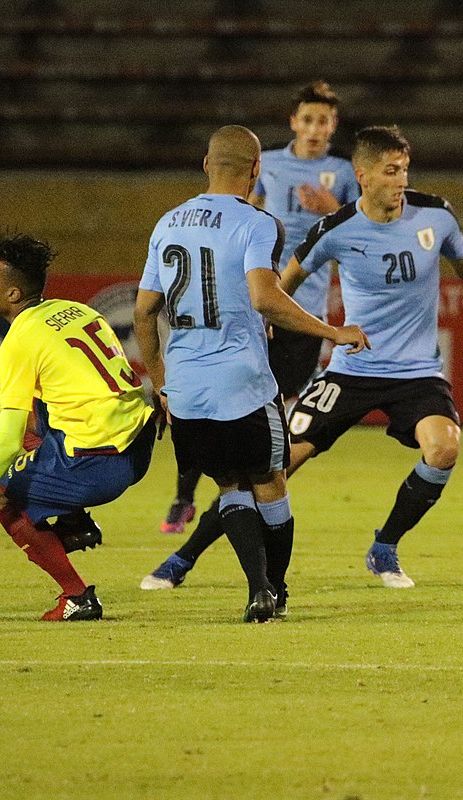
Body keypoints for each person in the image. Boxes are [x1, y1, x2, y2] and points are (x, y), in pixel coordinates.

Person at [146, 125, 463, 590]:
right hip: (350, 370)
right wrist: (270, 319)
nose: (401, 181)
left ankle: (385, 547)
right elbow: (284, 279)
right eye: (391, 171)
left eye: (404, 170)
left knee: (443, 448)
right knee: (273, 469)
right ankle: (184, 557)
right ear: (362, 175)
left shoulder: (434, 216)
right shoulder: (335, 230)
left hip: (417, 372)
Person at [133, 125, 368, 622]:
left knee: (229, 487)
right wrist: (332, 331)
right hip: (241, 381)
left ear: (205, 164)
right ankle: (274, 591)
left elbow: (143, 313)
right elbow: (265, 297)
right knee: (271, 484)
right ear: (257, 170)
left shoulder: (167, 222)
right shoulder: (258, 223)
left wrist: (161, 383)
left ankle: (257, 588)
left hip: (187, 384)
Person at [159, 80, 359, 535]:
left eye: (323, 121)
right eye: (307, 119)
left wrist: (333, 210)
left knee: (272, 406)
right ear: (293, 122)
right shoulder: (265, 164)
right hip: (252, 306)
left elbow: (361, 235)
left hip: (301, 312)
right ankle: (184, 497)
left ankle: (241, 492)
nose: (314, 128)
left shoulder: (344, 174)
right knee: (213, 402)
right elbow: (236, 214)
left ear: (333, 126)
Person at [0, 234, 156, 621]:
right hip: (139, 444)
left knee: (0, 492)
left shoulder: (19, 341)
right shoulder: (77, 311)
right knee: (41, 417)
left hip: (97, 463)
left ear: (13, 293)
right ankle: (74, 524)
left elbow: (6, 435)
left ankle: (77, 597)